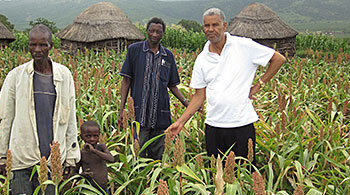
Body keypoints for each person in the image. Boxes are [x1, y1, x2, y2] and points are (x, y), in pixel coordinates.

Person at [166, 8, 286, 163]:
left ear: (224, 26)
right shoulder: (202, 59)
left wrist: (258, 85)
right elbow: (199, 96)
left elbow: (278, 59)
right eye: (206, 26)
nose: (210, 29)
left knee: (244, 176)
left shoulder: (243, 46)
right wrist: (180, 122)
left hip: (241, 124)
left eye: (215, 25)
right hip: (214, 126)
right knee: (217, 177)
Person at [0, 24, 80, 195]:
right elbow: (6, 119)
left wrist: (72, 159)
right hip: (21, 159)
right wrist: (1, 157)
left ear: (51, 46)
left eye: (43, 45)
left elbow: (70, 118)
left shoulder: (64, 76)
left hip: (51, 161)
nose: (37, 50)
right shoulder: (15, 76)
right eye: (33, 45)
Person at [119, 17, 189, 160]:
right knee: (137, 156)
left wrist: (187, 104)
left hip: (160, 116)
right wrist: (121, 110)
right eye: (152, 31)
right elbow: (126, 80)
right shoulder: (135, 50)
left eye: (158, 32)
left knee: (157, 158)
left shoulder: (167, 56)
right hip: (140, 116)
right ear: (147, 31)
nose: (154, 34)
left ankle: (155, 182)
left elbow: (172, 85)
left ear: (163, 33)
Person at [77, 120, 115, 195]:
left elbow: (111, 159)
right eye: (88, 136)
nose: (92, 139)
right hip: (89, 192)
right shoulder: (81, 153)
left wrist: (94, 151)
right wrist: (83, 174)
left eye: (95, 136)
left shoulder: (101, 148)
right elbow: (74, 173)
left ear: (99, 136)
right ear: (82, 137)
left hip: (103, 190)